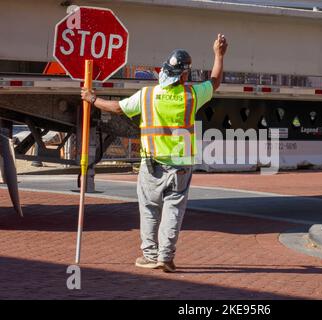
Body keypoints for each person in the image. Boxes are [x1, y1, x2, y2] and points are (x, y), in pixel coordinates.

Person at [81, 34, 228, 272]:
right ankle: (165, 256)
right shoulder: (192, 95)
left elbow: (117, 108)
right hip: (181, 164)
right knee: (173, 210)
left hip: (151, 164)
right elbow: (215, 81)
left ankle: (150, 256)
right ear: (184, 74)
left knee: (149, 209)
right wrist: (219, 55)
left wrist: (92, 98)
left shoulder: (147, 95)